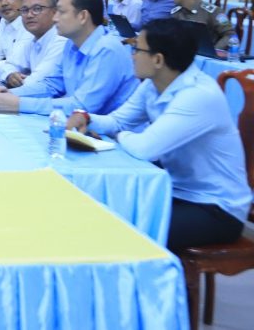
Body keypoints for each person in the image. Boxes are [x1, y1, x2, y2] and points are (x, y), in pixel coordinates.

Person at [66, 19, 250, 251]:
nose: (132, 55)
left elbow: (145, 148)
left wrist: (119, 135)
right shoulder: (153, 84)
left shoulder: (198, 95)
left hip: (216, 208)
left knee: (120, 229)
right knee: (100, 209)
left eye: (137, 49)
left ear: (158, 60)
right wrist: (86, 117)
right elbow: (118, 120)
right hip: (174, 191)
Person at [0, 0, 137, 115]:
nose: (55, 18)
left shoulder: (107, 49)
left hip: (114, 134)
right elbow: (52, 85)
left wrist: (19, 104)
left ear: (83, 16)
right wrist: (9, 93)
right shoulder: (71, 44)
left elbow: (82, 107)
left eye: (61, 12)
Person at [0, 0, 67, 88]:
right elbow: (9, 65)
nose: (29, 15)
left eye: (37, 9)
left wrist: (17, 83)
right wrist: (10, 75)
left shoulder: (61, 40)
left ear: (54, 12)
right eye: (24, 10)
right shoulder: (32, 38)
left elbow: (38, 83)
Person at [171, 0, 237, 49]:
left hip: (205, 53)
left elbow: (230, 35)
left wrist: (214, 51)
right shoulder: (176, 12)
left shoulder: (214, 12)